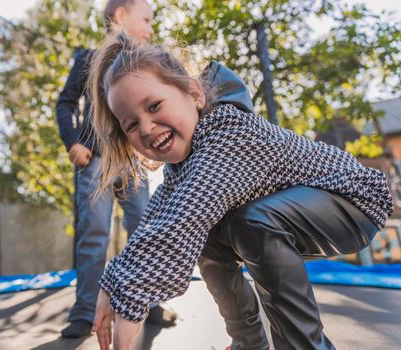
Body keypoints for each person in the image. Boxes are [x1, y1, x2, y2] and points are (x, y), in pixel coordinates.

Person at [88, 34, 394, 350]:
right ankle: (249, 344)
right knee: (212, 233)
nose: (147, 128)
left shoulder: (228, 132)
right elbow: (155, 222)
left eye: (154, 106)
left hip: (354, 197)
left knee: (252, 222)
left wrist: (130, 294)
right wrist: (112, 281)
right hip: (309, 206)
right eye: (132, 126)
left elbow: (185, 217)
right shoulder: (181, 169)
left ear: (194, 94)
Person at [55, 0, 179, 339]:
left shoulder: (143, 62)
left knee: (143, 227)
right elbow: (65, 104)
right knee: (94, 233)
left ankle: (148, 303)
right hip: (95, 160)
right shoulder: (89, 60)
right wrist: (72, 142)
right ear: (121, 16)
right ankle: (84, 311)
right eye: (147, 20)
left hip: (131, 161)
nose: (151, 28)